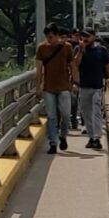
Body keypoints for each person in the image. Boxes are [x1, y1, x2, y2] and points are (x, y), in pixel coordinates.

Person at [35, 23, 78, 154]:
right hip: (49, 87)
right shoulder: (41, 48)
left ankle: (63, 136)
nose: (50, 40)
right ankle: (53, 143)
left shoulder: (67, 47)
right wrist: (38, 87)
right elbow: (39, 70)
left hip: (64, 86)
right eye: (48, 37)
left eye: (52, 37)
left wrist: (75, 83)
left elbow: (72, 66)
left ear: (58, 36)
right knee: (51, 116)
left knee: (65, 115)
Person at [75, 30, 109, 150]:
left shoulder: (101, 50)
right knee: (86, 114)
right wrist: (81, 52)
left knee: (96, 112)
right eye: (83, 36)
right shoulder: (78, 49)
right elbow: (75, 64)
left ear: (94, 37)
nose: (85, 39)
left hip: (97, 87)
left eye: (88, 36)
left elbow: (108, 67)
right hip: (84, 87)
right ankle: (91, 137)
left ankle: (97, 138)